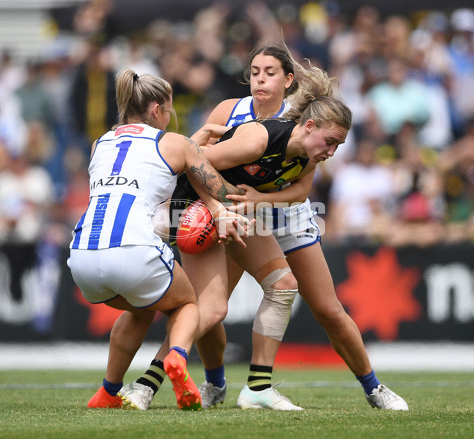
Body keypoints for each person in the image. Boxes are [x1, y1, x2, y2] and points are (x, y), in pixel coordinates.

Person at [122, 42, 408, 411]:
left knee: (323, 307)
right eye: (255, 71)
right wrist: (213, 205)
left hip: (272, 214)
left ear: (289, 80)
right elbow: (192, 162)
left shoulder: (307, 128)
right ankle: (173, 384)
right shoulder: (249, 124)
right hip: (221, 210)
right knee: (210, 308)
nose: (260, 79)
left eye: (269, 72)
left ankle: (370, 388)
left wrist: (260, 200)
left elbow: (303, 187)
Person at [69, 70, 250, 411]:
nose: (171, 116)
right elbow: (224, 192)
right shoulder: (176, 143)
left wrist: (191, 146)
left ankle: (108, 391)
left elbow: (152, 164)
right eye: (169, 109)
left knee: (140, 308)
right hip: (134, 251)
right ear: (156, 110)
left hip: (83, 258)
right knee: (190, 304)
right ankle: (177, 359)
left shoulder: (99, 143)